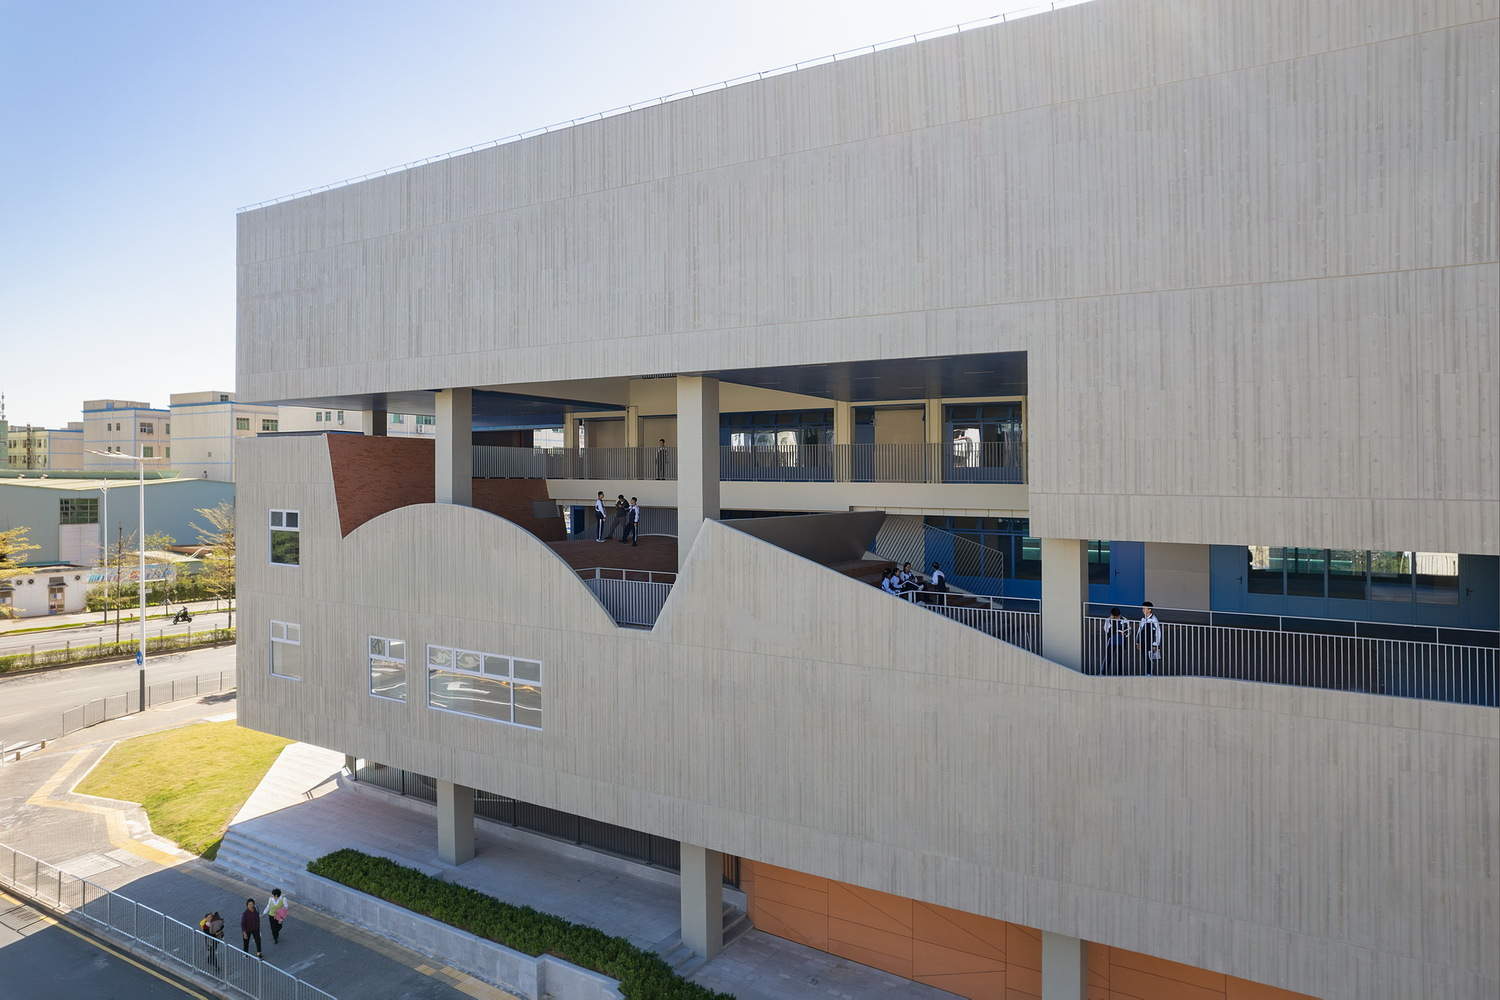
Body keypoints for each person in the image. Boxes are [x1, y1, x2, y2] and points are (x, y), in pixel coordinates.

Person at [1135, 601, 1163, 675]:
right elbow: (1139, 631)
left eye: (1145, 608)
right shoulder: (1143, 619)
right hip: (1143, 642)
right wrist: (1137, 642)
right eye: (1142, 608)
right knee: (1145, 658)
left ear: (1149, 609)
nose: (1143, 610)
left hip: (1150, 642)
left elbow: (1158, 632)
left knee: (1149, 658)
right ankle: (1148, 673)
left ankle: (1149, 674)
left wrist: (1155, 644)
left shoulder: (1154, 619)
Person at [1102, 607, 1130, 674]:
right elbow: (1106, 630)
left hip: (1121, 642)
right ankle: (1103, 672)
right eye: (1116, 617)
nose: (1118, 617)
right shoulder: (1108, 620)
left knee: (1120, 658)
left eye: (1118, 616)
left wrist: (1125, 633)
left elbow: (1129, 630)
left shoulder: (1124, 619)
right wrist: (1112, 624)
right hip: (1112, 641)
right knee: (1108, 657)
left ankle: (1120, 673)